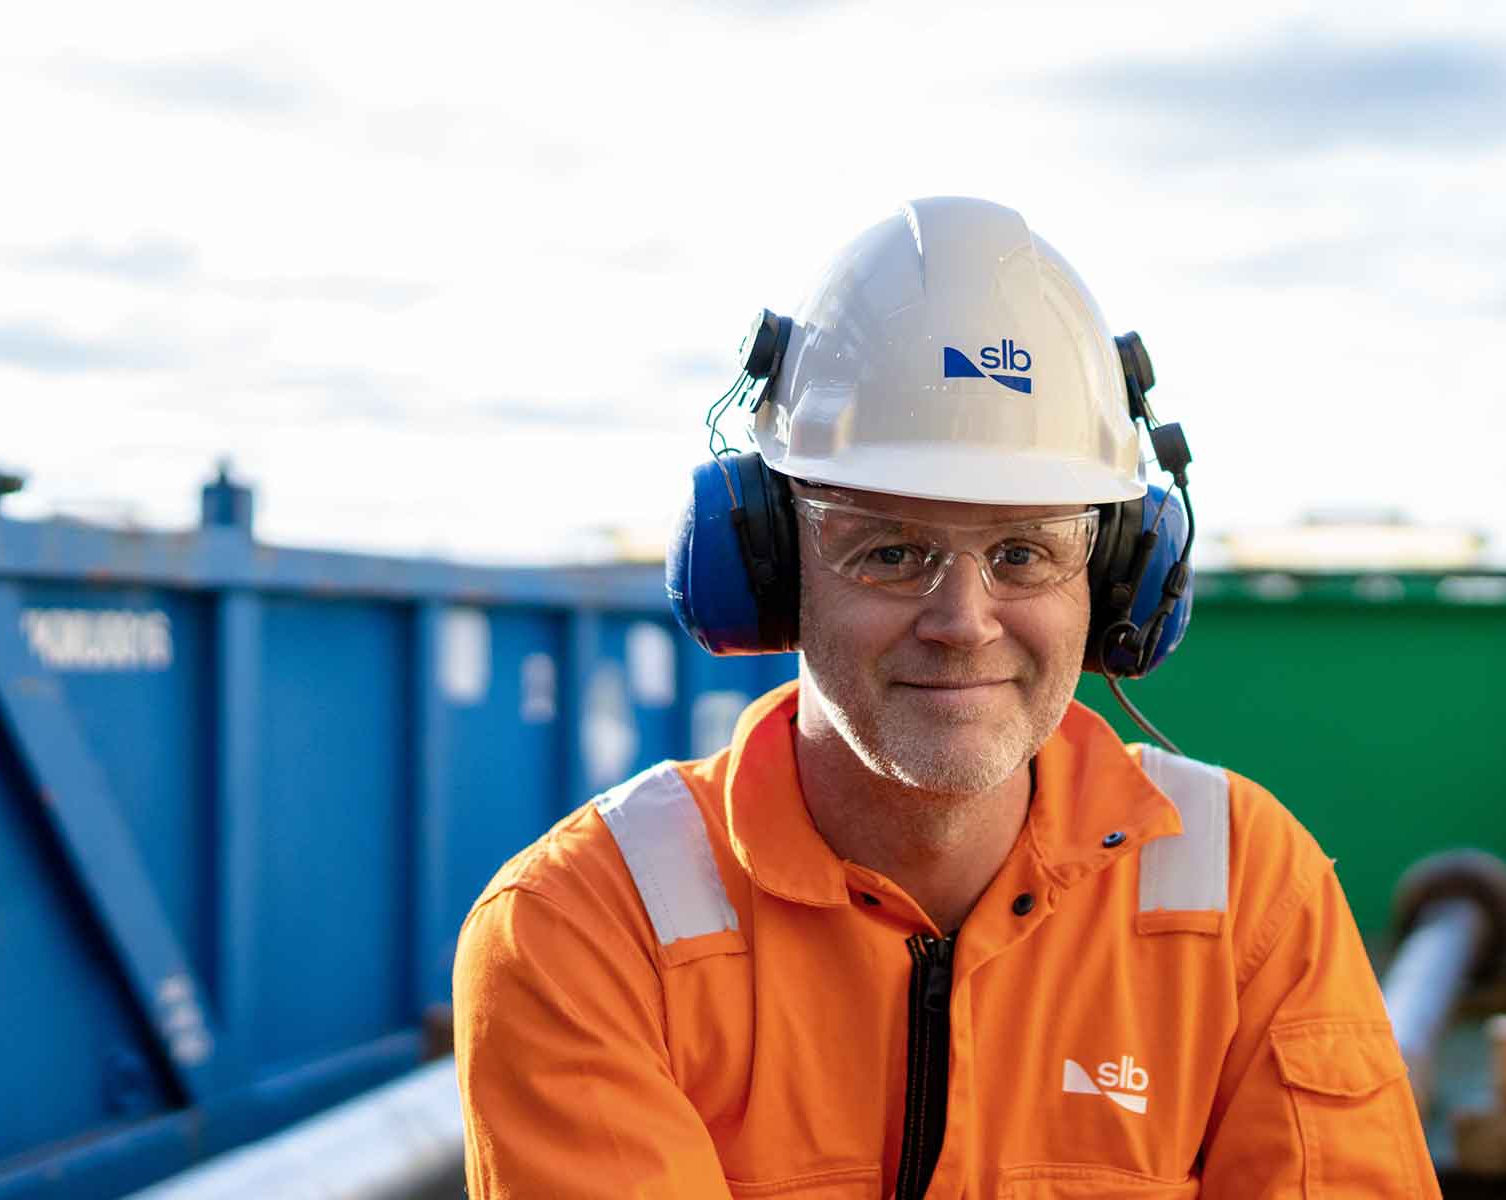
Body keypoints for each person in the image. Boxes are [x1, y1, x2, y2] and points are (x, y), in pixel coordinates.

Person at [454, 197, 1433, 1198]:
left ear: (1114, 580)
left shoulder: (1245, 893)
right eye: (889, 551)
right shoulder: (584, 929)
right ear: (770, 566)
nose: (962, 620)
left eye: (1022, 552)